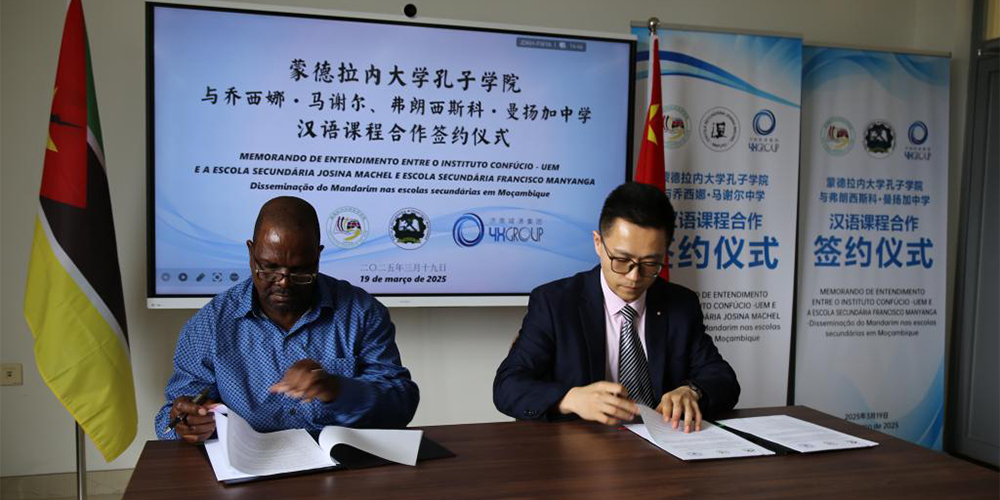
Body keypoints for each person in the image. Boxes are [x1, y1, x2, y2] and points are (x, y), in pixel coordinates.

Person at [155, 196, 419, 443]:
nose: (283, 283)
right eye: (269, 268)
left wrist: (337, 389)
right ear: (251, 253)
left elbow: (401, 405)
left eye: (300, 271)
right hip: (251, 465)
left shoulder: (361, 313)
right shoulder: (210, 325)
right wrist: (184, 423)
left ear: (317, 256)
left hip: (342, 463)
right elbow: (170, 419)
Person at [493, 182, 738, 432]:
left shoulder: (680, 304)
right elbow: (508, 385)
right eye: (621, 260)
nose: (634, 276)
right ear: (598, 243)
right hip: (583, 445)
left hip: (662, 444)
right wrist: (571, 398)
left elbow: (723, 379)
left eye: (650, 263)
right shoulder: (555, 303)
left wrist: (692, 391)